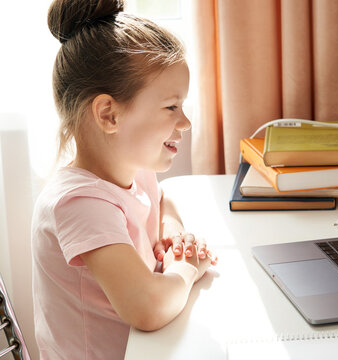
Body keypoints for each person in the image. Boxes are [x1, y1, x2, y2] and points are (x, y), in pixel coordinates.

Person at [31, 0, 217, 358]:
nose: (185, 123)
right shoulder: (79, 204)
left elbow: (162, 201)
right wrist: (185, 267)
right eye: (170, 107)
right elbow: (147, 307)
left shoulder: (133, 170)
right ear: (108, 115)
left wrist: (173, 236)